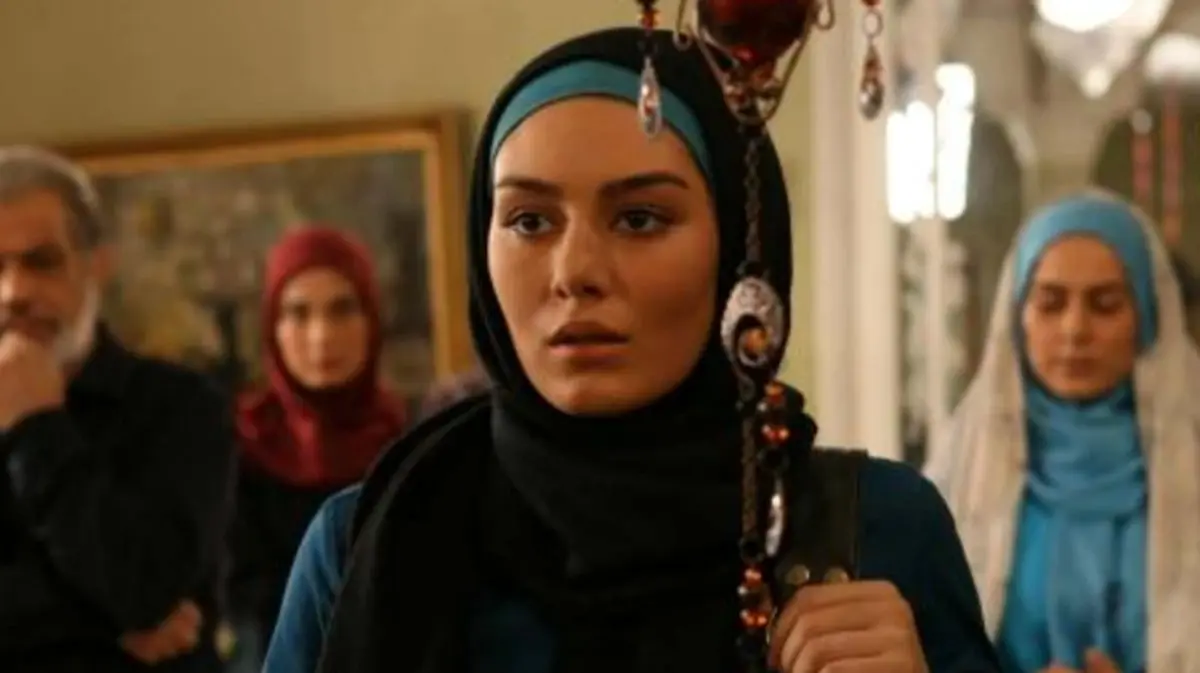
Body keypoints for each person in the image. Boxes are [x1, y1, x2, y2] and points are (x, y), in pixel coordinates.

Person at [266, 27, 999, 673]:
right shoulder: (374, 541)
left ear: (738, 255)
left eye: (640, 218)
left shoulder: (872, 531)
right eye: (528, 221)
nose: (574, 272)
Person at [925, 192, 1200, 673]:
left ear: (1147, 317)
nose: (1075, 329)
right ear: (1017, 317)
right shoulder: (962, 476)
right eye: (1050, 303)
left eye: (1105, 305)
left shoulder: (1189, 459)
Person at [0, 145, 236, 671]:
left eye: (42, 262)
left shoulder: (181, 408)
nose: (13, 292)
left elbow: (146, 585)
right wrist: (97, 626)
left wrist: (35, 426)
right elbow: (142, 608)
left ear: (96, 265)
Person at [226, 227, 405, 669]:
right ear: (272, 326)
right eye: (298, 313)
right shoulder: (236, 450)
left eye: (342, 310)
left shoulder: (411, 445)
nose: (322, 336)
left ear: (372, 318)